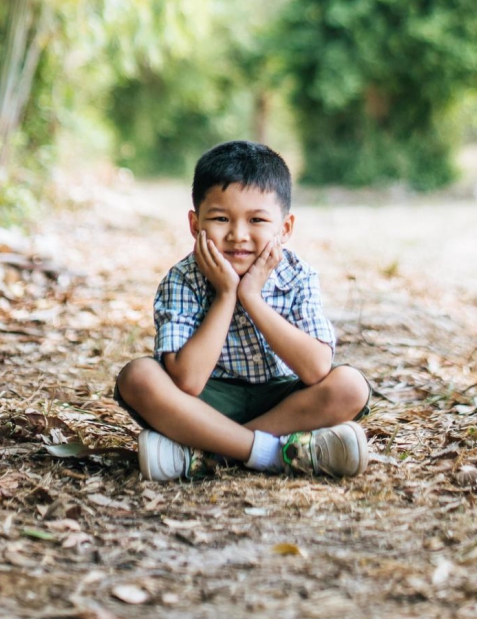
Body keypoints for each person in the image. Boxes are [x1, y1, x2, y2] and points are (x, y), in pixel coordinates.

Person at [115, 140, 371, 482]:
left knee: (350, 386)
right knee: (138, 377)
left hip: (284, 402)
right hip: (206, 403)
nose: (238, 235)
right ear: (194, 224)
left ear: (285, 228)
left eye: (257, 220)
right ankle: (280, 453)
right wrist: (225, 295)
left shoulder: (298, 275)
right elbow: (187, 383)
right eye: (221, 218)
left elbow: (315, 369)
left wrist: (251, 297)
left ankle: (205, 453)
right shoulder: (182, 280)